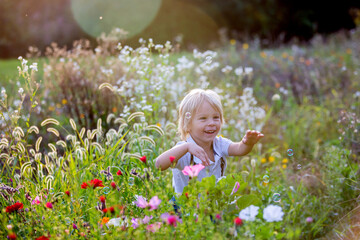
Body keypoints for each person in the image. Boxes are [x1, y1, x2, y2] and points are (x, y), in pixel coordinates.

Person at [155, 88, 264, 194]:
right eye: (203, 118)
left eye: (216, 117)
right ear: (187, 124)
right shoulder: (183, 151)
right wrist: (187, 147)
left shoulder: (219, 144)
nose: (211, 123)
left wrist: (247, 143)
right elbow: (159, 164)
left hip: (212, 207)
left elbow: (240, 150)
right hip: (186, 209)